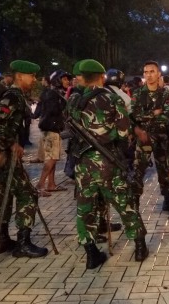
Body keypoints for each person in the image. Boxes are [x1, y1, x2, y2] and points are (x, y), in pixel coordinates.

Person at [67, 59, 147, 268]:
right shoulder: (112, 99)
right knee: (124, 203)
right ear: (102, 77)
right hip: (108, 162)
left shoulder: (74, 101)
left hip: (83, 163)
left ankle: (91, 253)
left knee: (86, 209)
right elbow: (123, 132)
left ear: (82, 78)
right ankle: (139, 247)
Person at [0, 60, 49, 258]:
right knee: (28, 193)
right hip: (5, 155)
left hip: (2, 154)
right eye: (31, 76)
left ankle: (2, 239)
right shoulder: (13, 96)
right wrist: (10, 143)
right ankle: (23, 242)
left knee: (2, 193)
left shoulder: (15, 95)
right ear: (20, 76)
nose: (34, 80)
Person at [131, 61, 169, 213]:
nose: (148, 75)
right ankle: (134, 204)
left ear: (158, 74)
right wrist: (153, 113)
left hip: (161, 138)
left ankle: (168, 200)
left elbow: (166, 116)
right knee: (138, 170)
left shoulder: (166, 93)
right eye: (146, 72)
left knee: (164, 170)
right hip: (144, 138)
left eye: (152, 71)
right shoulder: (138, 93)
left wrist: (145, 117)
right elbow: (134, 115)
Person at [36, 69, 70, 195]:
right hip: (51, 129)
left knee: (53, 158)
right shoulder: (53, 94)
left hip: (50, 129)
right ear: (57, 80)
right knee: (52, 159)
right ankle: (40, 185)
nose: (67, 81)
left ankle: (51, 184)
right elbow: (53, 111)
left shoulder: (51, 92)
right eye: (64, 79)